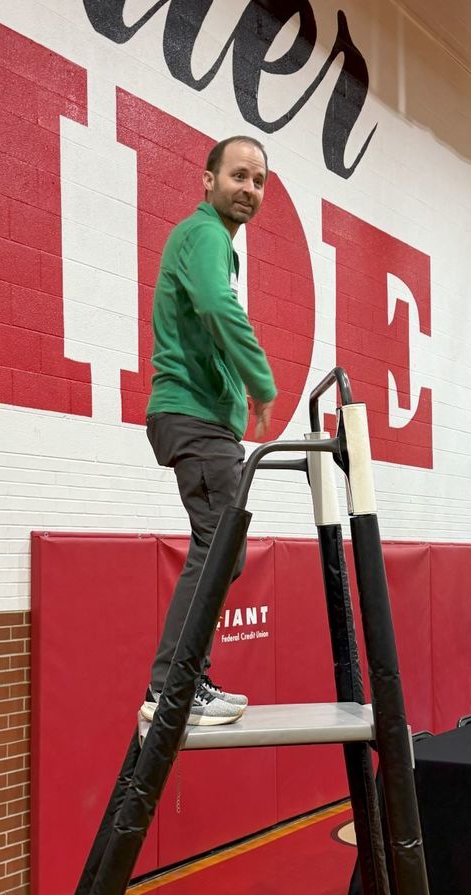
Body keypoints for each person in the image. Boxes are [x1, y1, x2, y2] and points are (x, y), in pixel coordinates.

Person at [138, 136, 277, 736]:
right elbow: (221, 310)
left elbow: (213, 321)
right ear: (208, 180)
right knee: (219, 548)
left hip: (204, 418)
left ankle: (187, 676)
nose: (249, 189)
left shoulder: (215, 244)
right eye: (238, 176)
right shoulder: (205, 236)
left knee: (223, 550)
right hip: (192, 418)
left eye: (259, 181)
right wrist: (262, 384)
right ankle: (174, 684)